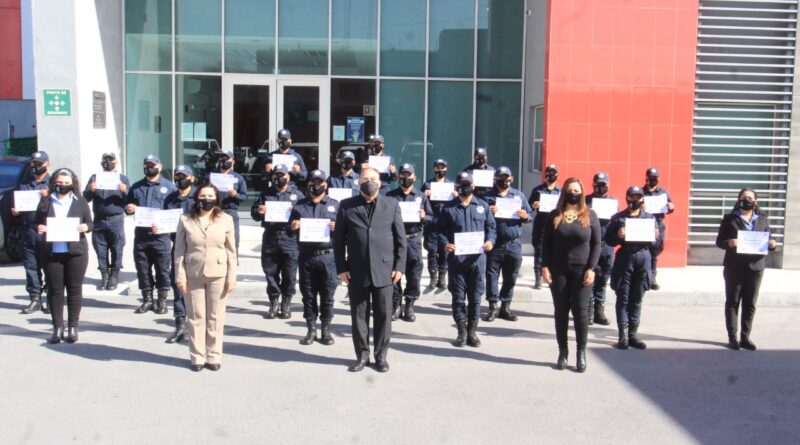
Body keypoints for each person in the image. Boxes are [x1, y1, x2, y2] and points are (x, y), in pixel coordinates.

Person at [334, 167, 407, 373]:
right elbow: (338, 240)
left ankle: (381, 356)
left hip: (385, 270)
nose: (370, 182)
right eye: (366, 179)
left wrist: (399, 267)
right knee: (359, 316)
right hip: (356, 270)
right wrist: (341, 268)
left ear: (380, 182)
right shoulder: (346, 205)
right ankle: (362, 356)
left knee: (384, 316)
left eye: (373, 178)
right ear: (358, 182)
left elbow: (401, 240)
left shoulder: (392, 204)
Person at [174, 184, 236, 372]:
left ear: (216, 199)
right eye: (203, 195)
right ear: (196, 198)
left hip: (219, 273)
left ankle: (214, 356)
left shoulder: (226, 219)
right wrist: (180, 276)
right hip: (193, 273)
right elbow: (179, 250)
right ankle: (197, 357)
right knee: (196, 317)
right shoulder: (186, 219)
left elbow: (231, 251)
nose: (206, 199)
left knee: (215, 317)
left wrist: (232, 276)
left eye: (210, 196)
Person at [541, 178, 601, 372]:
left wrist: (591, 268)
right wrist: (545, 266)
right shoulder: (555, 215)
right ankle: (563, 352)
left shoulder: (590, 215)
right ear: (564, 192)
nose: (573, 193)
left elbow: (596, 244)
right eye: (570, 190)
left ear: (581, 193)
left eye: (576, 190)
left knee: (581, 312)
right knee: (561, 311)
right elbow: (546, 243)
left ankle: (580, 352)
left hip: (582, 271)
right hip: (558, 271)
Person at [437, 172, 497, 348]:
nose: (464, 188)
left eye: (467, 184)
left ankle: (472, 332)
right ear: (456, 187)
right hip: (457, 260)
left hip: (477, 260)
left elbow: (491, 228)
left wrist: (490, 242)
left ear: (473, 186)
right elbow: (439, 231)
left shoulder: (483, 206)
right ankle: (461, 332)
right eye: (461, 185)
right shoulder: (448, 208)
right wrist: (445, 244)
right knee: (458, 298)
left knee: (475, 298)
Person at [35, 169, 93, 344]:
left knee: (74, 289)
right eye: (59, 183)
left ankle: (73, 327)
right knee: (55, 290)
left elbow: (90, 223)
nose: (63, 186)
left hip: (75, 252)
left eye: (67, 183)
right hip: (52, 252)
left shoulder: (80, 201)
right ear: (54, 182)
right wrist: (39, 228)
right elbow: (36, 223)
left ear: (73, 184)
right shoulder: (46, 201)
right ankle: (57, 328)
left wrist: (86, 227)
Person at [715, 188, 777, 351]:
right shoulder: (729, 219)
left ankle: (745, 337)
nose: (747, 200)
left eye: (750, 198)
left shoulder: (762, 219)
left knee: (750, 304)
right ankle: (732, 337)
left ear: (755, 201)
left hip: (756, 268)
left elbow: (768, 240)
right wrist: (729, 243)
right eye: (744, 198)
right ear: (738, 200)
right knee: (733, 302)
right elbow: (719, 241)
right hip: (734, 267)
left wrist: (772, 245)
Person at [605, 186, 659, 350]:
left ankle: (633, 335)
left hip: (643, 257)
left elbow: (657, 246)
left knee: (637, 298)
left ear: (642, 199)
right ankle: (623, 336)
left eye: (638, 197)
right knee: (623, 296)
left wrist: (655, 237)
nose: (634, 200)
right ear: (627, 197)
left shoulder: (650, 218)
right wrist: (618, 236)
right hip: (625, 258)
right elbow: (608, 240)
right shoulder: (618, 218)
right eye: (631, 196)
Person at [289, 170, 339, 345]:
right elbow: (289, 229)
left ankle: (326, 330)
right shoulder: (299, 205)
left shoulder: (335, 205)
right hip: (307, 257)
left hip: (328, 257)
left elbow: (346, 233)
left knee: (327, 295)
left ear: (326, 184)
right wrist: (292, 226)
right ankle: (311, 329)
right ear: (308, 183)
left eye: (320, 182)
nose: (316, 185)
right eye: (313, 182)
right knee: (308, 295)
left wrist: (337, 228)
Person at [125, 154, 177, 315]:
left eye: (153, 165)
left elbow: (174, 211)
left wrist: (163, 225)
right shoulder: (136, 187)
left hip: (161, 236)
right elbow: (127, 205)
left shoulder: (170, 187)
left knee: (162, 270)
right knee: (143, 269)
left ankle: (162, 301)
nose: (149, 168)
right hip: (142, 235)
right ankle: (147, 300)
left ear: (160, 167)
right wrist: (129, 208)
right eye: (147, 165)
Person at [251, 164, 304, 319]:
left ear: (288, 177)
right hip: (271, 237)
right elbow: (254, 214)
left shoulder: (297, 195)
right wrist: (259, 211)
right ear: (273, 177)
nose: (279, 178)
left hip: (290, 238)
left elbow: (307, 214)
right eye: (276, 175)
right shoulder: (265, 193)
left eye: (282, 175)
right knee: (270, 273)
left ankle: (286, 303)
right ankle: (274, 302)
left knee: (289, 274)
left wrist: (297, 220)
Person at [483, 166, 533, 322]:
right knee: (492, 276)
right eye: (501, 177)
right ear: (495, 179)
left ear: (511, 179)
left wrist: (525, 215)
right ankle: (492, 307)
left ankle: (505, 307)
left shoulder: (519, 195)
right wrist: (488, 211)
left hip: (513, 244)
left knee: (511, 276)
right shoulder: (487, 197)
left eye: (507, 177)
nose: (504, 180)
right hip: (495, 244)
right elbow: (479, 216)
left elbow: (530, 215)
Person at [386, 163, 433, 322]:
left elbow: (431, 217)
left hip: (413, 240)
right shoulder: (390, 196)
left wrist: (424, 216)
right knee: (393, 272)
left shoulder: (421, 196)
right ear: (399, 177)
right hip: (394, 240)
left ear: (414, 177)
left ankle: (409, 305)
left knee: (414, 273)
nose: (406, 178)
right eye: (403, 175)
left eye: (409, 175)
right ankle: (396, 304)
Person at [83, 152, 130, 291]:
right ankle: (104, 275)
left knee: (117, 248)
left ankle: (114, 276)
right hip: (99, 219)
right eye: (105, 160)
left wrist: (125, 190)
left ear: (116, 162)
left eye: (110, 160)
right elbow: (85, 198)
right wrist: (90, 190)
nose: (107, 162)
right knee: (100, 248)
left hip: (116, 219)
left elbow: (131, 199)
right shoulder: (95, 178)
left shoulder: (123, 179)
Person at [12, 151, 50, 314]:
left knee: (49, 266)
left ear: (47, 164)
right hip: (28, 230)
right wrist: (16, 211)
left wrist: (49, 196)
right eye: (33, 164)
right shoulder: (25, 184)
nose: (36, 167)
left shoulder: (54, 184)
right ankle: (35, 298)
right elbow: (17, 206)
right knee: (31, 267)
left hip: (46, 230)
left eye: (39, 164)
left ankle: (51, 298)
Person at [163, 165, 196, 344]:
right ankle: (180, 325)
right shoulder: (170, 198)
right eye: (177, 177)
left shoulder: (198, 197)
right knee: (178, 286)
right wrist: (159, 226)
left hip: (196, 248)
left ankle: (196, 327)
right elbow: (165, 221)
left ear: (192, 179)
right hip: (178, 247)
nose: (180, 180)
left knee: (197, 287)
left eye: (184, 177)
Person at [584, 172, 614, 325]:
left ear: (608, 185)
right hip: (590, 246)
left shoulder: (613, 203)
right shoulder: (586, 201)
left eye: (603, 185)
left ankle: (599, 311)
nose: (600, 187)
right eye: (598, 184)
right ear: (593, 184)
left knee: (602, 281)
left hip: (607, 247)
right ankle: (588, 309)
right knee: (589, 278)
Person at [421, 158, 454, 291]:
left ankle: (442, 278)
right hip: (432, 224)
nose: (440, 170)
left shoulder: (451, 185)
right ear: (434, 169)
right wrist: (425, 194)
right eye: (438, 168)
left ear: (446, 169)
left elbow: (457, 203)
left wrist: (456, 195)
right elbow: (420, 200)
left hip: (446, 224)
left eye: (442, 168)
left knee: (445, 251)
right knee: (432, 251)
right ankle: (433, 278)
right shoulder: (427, 184)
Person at [528, 164, 562, 289]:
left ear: (557, 175)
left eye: (553, 173)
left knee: (555, 252)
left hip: (556, 226)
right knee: (539, 252)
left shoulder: (561, 191)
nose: (550, 175)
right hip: (541, 225)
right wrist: (534, 205)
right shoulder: (537, 190)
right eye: (548, 173)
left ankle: (551, 277)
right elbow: (528, 207)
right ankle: (538, 279)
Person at [642, 167, 675, 290]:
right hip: (644, 224)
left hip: (658, 224)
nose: (652, 180)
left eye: (654, 178)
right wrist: (640, 207)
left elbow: (670, 207)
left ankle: (652, 278)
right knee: (644, 251)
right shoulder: (641, 192)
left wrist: (671, 207)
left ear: (658, 179)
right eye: (650, 178)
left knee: (655, 252)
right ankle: (644, 277)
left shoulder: (663, 193)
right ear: (646, 178)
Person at [215, 149, 247, 252]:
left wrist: (236, 195)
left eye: (226, 158)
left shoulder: (238, 178)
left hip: (230, 212)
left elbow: (244, 197)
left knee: (232, 242)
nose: (224, 160)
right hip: (214, 212)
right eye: (222, 158)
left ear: (233, 161)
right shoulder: (212, 176)